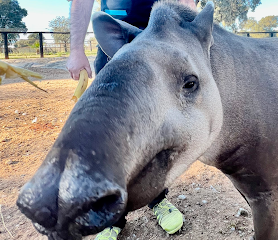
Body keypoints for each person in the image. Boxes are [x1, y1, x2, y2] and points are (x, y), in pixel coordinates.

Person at [66, 1, 197, 239]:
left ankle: (156, 198)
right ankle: (112, 215)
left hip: (161, 42)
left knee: (158, 131)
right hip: (114, 43)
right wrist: (76, 49)